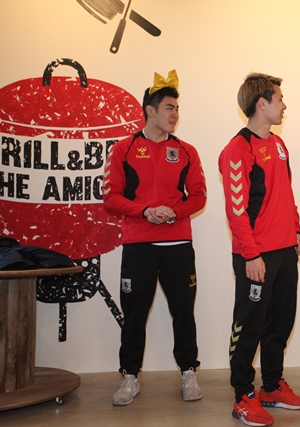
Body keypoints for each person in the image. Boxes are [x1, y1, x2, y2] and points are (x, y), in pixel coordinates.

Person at [103, 70, 206, 405]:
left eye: (177, 109)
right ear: (150, 110)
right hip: (139, 246)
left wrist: (175, 212)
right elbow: (110, 197)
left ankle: (188, 371)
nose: (175, 114)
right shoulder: (123, 149)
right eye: (169, 108)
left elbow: (199, 196)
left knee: (184, 311)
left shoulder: (187, 151)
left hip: (178, 245)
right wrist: (145, 211)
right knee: (134, 313)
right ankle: (129, 376)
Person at [219, 73, 300, 427]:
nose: (284, 105)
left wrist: (296, 228)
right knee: (249, 326)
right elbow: (236, 210)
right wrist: (251, 254)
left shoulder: (279, 144)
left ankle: (271, 386)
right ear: (262, 104)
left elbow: (285, 191)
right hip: (256, 254)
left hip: (285, 250)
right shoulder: (237, 150)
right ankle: (243, 395)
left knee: (280, 322)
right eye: (280, 99)